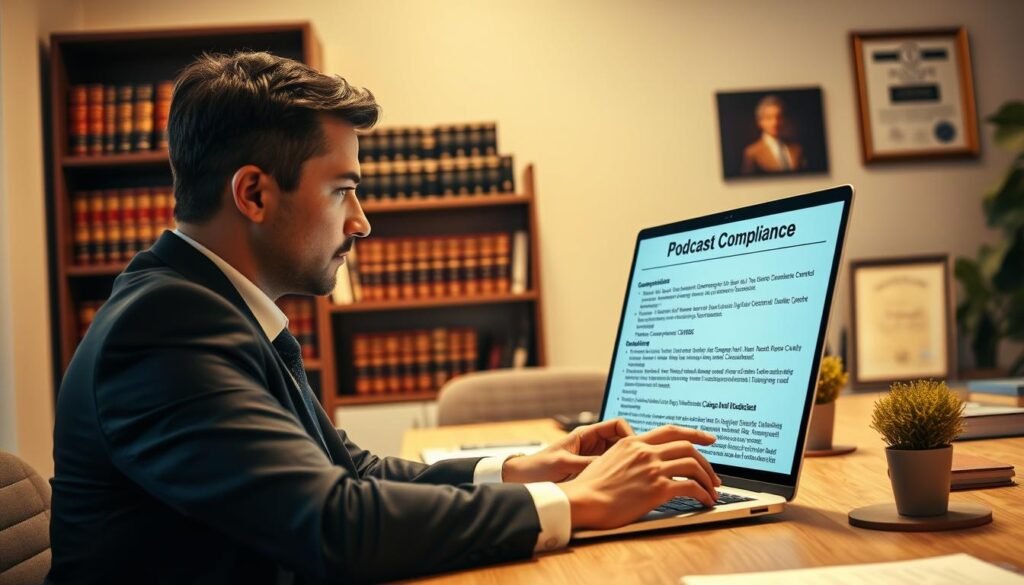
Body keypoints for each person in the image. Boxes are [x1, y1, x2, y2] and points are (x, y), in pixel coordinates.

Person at [48, 51, 722, 584]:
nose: (361, 222)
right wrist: (577, 503)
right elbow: (335, 523)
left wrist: (527, 470)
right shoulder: (164, 328)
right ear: (253, 193)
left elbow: (347, 468)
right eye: (342, 190)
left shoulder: (207, 305)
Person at [741, 95, 804, 174]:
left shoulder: (797, 149)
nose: (775, 123)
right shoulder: (752, 153)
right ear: (760, 121)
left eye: (778, 117)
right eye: (769, 118)